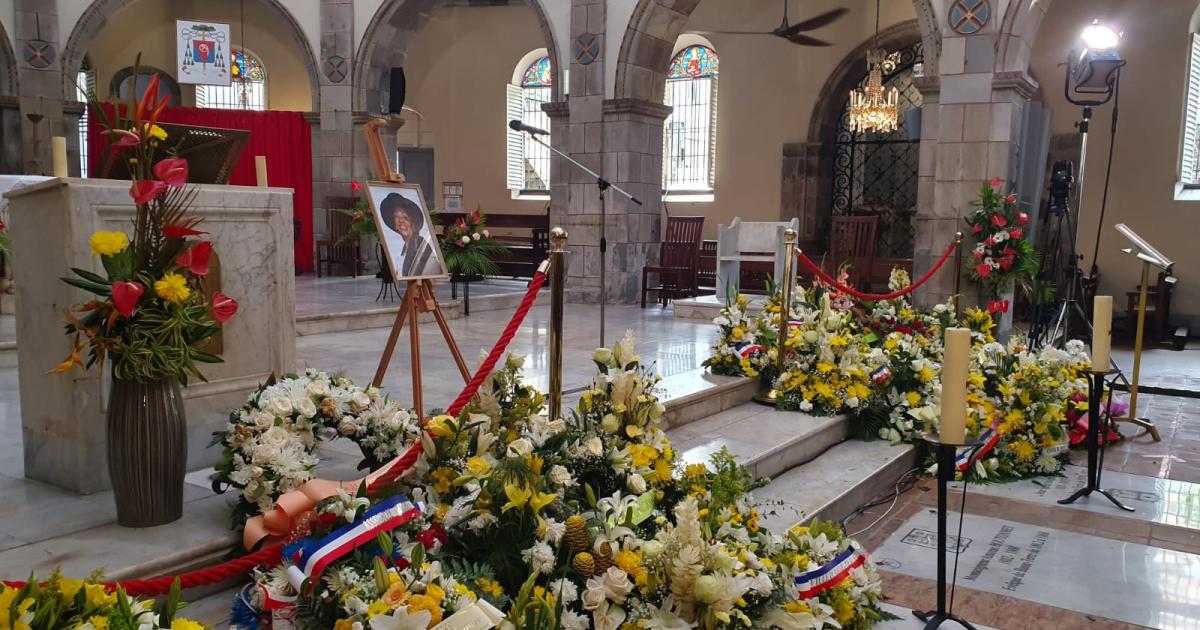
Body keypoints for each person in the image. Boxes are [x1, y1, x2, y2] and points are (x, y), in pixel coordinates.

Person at [378, 192, 444, 278]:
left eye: (405, 217)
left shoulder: (422, 246)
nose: (401, 221)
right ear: (394, 225)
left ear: (413, 222)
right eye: (396, 217)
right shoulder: (403, 249)